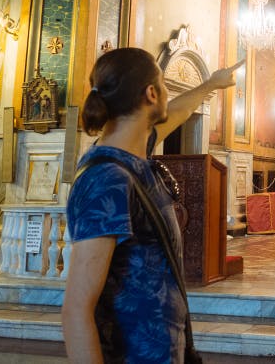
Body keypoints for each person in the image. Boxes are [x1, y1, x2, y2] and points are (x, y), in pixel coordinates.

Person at [61, 47, 243, 363]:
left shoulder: (133, 155)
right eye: (163, 84)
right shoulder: (106, 179)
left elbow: (179, 112)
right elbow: (77, 308)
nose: (168, 93)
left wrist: (211, 85)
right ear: (151, 93)